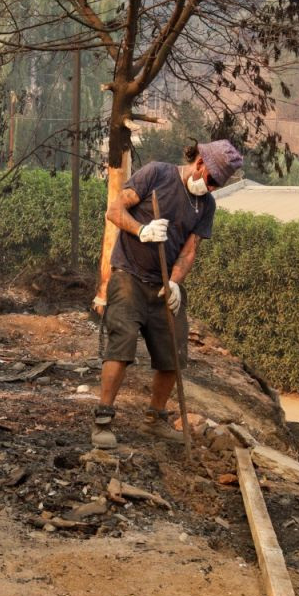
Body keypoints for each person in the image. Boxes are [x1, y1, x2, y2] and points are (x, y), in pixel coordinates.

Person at [90, 139, 243, 449]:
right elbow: (115, 210)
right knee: (122, 345)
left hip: (162, 285)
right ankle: (103, 419)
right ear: (200, 163)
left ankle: (155, 419)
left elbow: (189, 250)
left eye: (218, 184)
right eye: (211, 180)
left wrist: (174, 282)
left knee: (173, 353)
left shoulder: (205, 206)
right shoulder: (156, 175)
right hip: (129, 276)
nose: (211, 188)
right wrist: (141, 230)